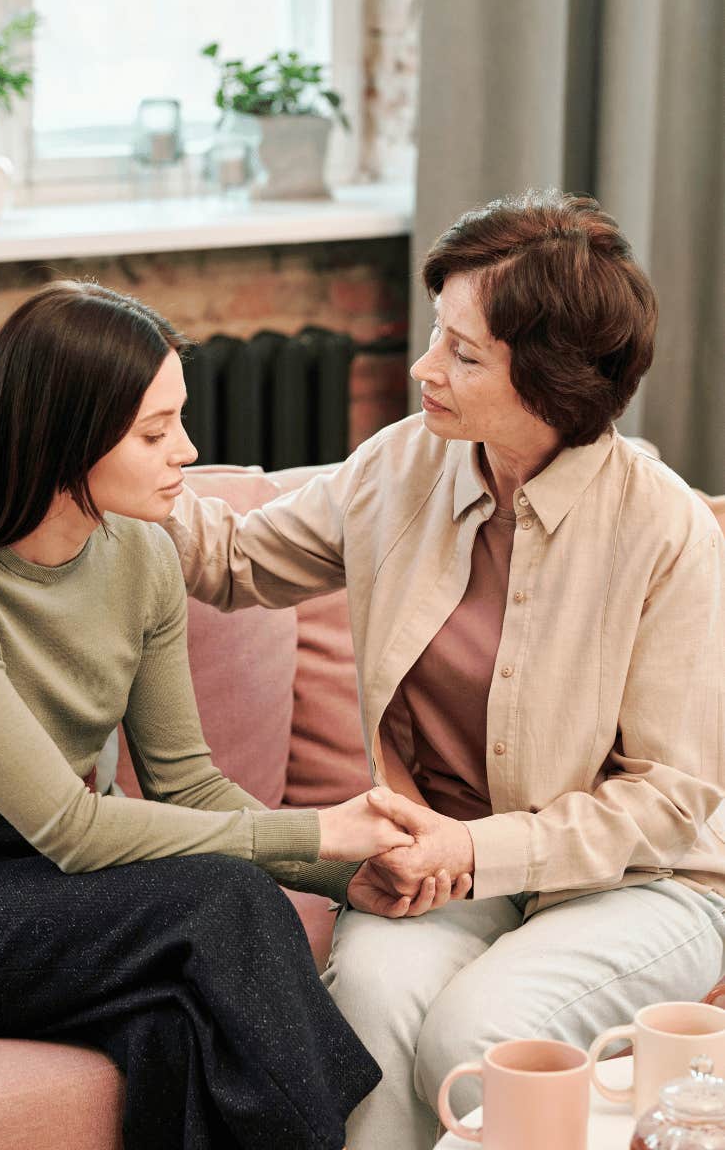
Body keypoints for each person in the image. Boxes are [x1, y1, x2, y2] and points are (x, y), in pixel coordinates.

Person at [164, 189, 725, 1149]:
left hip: (643, 881)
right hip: (444, 863)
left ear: (551, 383)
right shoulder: (402, 466)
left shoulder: (665, 531)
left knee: (477, 1032)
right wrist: (90, 464)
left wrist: (472, 852)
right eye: (438, 333)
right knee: (371, 1008)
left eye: (464, 354)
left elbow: (670, 800)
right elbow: (234, 559)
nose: (425, 367)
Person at [0, 280, 429, 1150]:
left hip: (48, 881)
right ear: (64, 435)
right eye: (154, 431)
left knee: (178, 1026)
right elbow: (71, 829)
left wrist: (345, 876)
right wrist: (320, 832)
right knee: (225, 902)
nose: (188, 451)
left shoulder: (141, 555)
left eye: (179, 422)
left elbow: (186, 783)